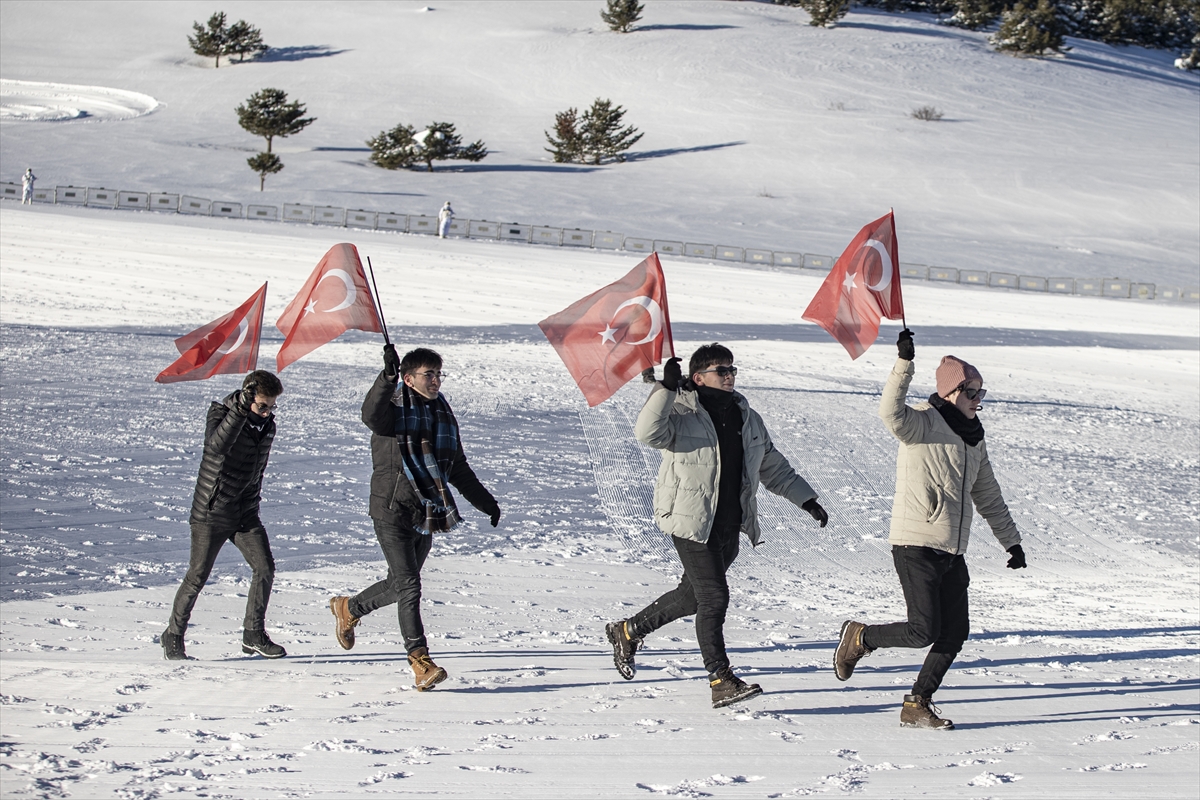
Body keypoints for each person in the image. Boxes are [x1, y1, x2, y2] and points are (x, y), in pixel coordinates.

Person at [606, 343, 830, 709]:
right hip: (691, 521)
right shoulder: (680, 410)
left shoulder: (746, 415)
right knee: (713, 597)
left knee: (691, 597)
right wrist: (664, 389)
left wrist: (806, 499)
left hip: (730, 523)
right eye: (721, 370)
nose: (729, 376)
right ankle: (719, 678)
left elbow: (771, 464)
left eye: (732, 370)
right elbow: (647, 434)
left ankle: (627, 631)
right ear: (698, 377)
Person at [833, 330, 1026, 730]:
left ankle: (917, 703)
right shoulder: (922, 422)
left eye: (981, 392)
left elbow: (988, 494)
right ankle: (860, 637)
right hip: (916, 543)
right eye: (971, 391)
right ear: (951, 391)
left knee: (954, 632)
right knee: (923, 630)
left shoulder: (975, 439)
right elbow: (889, 412)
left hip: (952, 551)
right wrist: (904, 364)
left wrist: (1012, 542)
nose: (978, 399)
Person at [329, 345, 501, 691]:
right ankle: (419, 661)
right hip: (391, 509)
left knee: (399, 585)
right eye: (429, 374)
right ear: (409, 379)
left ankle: (350, 608)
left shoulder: (442, 415)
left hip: (426, 511)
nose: (436, 380)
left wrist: (485, 501)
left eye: (439, 374)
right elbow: (370, 414)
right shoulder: (393, 411)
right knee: (410, 586)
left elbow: (458, 467)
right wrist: (386, 378)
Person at [162, 371, 287, 661]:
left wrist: (252, 505)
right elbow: (217, 446)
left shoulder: (267, 427)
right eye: (262, 406)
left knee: (265, 567)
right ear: (247, 397)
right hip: (212, 511)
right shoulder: (220, 414)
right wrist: (241, 411)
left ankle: (253, 634)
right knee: (197, 576)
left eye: (272, 407)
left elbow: (257, 472)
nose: (268, 412)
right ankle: (173, 635)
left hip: (245, 513)